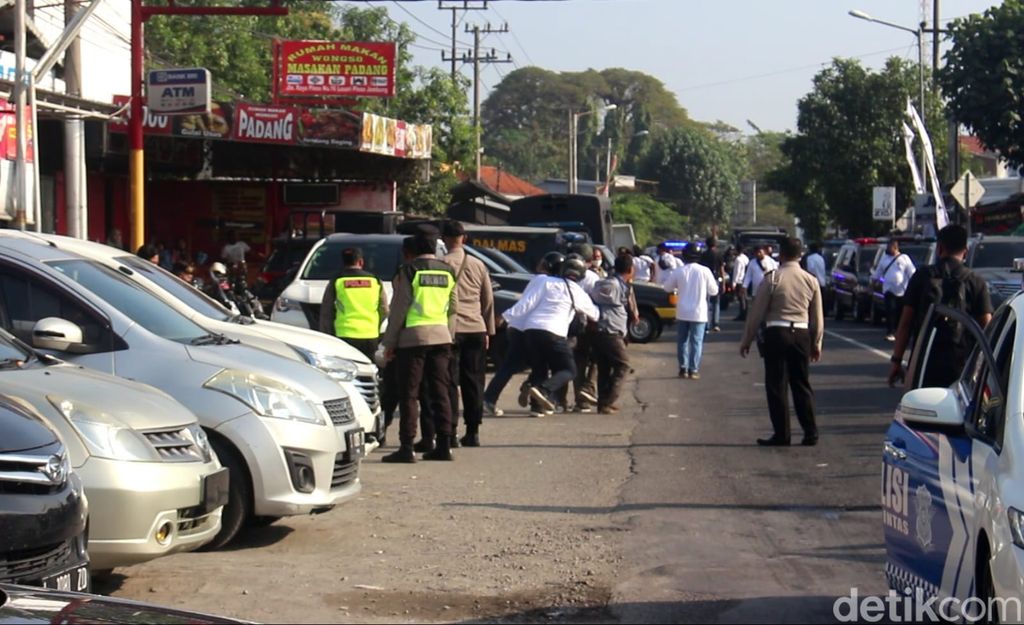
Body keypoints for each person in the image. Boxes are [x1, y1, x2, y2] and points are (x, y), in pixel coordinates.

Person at [380, 232, 458, 463]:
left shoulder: (409, 270)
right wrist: (449, 336)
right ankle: (444, 444)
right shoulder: (448, 271)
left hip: (413, 339)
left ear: (411, 252)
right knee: (440, 391)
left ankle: (406, 447)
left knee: (409, 394)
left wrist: (389, 343)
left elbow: (399, 309)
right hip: (441, 337)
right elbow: (453, 307)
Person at [740, 237, 823, 447]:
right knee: (801, 384)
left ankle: (782, 434)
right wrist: (816, 343)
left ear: (781, 254)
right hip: (802, 334)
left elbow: (756, 313)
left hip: (777, 333)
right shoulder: (810, 280)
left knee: (777, 385)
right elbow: (817, 317)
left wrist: (747, 339)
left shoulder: (773, 279)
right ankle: (810, 432)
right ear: (800, 255)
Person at [887, 225, 992, 389]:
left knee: (919, 411)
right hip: (962, 368)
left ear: (939, 248)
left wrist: (896, 361)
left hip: (925, 364)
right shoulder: (975, 281)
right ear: (966, 249)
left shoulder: (922, 276)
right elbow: (987, 329)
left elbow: (905, 323)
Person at [502, 252, 599, 417]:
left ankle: (537, 407)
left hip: (531, 331)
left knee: (540, 368)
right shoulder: (577, 290)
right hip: (555, 333)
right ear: (581, 275)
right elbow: (595, 315)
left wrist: (505, 317)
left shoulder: (545, 281)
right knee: (569, 370)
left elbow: (526, 303)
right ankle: (543, 390)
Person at [442, 220, 495, 448]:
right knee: (473, 382)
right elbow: (488, 300)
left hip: (450, 330)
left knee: (450, 382)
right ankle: (473, 431)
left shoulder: (440, 264)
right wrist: (488, 330)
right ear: (463, 238)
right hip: (475, 327)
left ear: (444, 239)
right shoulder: (478, 264)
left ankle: (450, 431)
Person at [317, 247, 389, 363]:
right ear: (361, 262)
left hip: (344, 335)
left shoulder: (337, 281)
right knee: (368, 368)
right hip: (369, 335)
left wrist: (327, 335)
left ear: (344, 262)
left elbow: (327, 312)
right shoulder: (374, 281)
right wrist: (375, 326)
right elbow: (384, 309)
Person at [662, 243, 719, 379]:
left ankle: (683, 369)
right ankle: (693, 370)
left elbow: (667, 288)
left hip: (682, 312)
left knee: (682, 341)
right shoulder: (705, 271)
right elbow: (714, 290)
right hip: (699, 312)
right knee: (696, 342)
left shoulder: (679, 271)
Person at [591, 255, 634, 414]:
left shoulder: (615, 283)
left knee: (605, 367)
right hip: (610, 331)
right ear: (630, 270)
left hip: (603, 330)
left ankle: (603, 403)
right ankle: (608, 399)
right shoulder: (613, 284)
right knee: (623, 365)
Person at [871, 239, 916, 342]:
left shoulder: (904, 258)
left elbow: (912, 273)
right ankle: (890, 332)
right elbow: (878, 273)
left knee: (900, 312)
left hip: (902, 291)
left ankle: (899, 332)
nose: (887, 249)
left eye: (889, 247)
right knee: (890, 310)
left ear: (895, 248)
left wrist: (912, 287)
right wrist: (873, 282)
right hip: (889, 290)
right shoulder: (884, 259)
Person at [700, 237, 726, 332]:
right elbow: (722, 270)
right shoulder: (719, 254)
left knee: (706, 302)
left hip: (705, 280)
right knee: (716, 303)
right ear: (715, 244)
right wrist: (723, 283)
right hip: (715, 279)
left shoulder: (703, 255)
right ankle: (715, 324)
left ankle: (706, 324)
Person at [732, 247, 750, 321]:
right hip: (745, 280)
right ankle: (745, 313)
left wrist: (734, 282)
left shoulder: (738, 259)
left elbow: (737, 271)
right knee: (745, 298)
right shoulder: (746, 258)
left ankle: (742, 314)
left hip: (739, 280)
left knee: (741, 298)